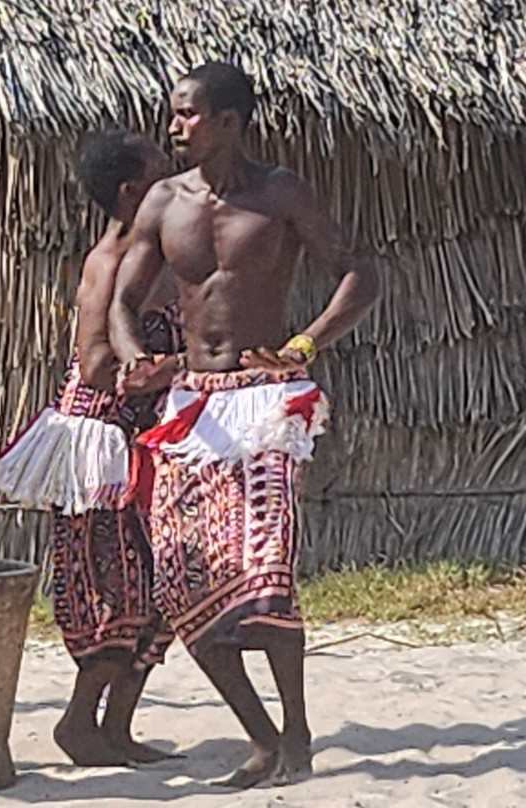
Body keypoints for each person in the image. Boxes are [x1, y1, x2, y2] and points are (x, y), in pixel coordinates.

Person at [109, 62, 379, 788]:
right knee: (179, 580)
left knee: (265, 576)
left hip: (266, 399)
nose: (176, 127)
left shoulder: (279, 192)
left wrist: (306, 343)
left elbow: (358, 272)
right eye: (174, 113)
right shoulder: (163, 201)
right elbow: (122, 303)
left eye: (190, 115)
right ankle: (263, 738)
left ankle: (295, 730)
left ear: (230, 121)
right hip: (191, 406)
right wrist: (139, 360)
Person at [0, 131, 180, 766]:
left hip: (141, 437)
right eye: (162, 171)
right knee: (117, 593)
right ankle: (79, 721)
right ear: (132, 192)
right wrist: (171, 366)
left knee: (159, 592)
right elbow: (97, 363)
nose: (177, 178)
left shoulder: (157, 252)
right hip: (102, 448)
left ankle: (117, 728)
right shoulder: (112, 261)